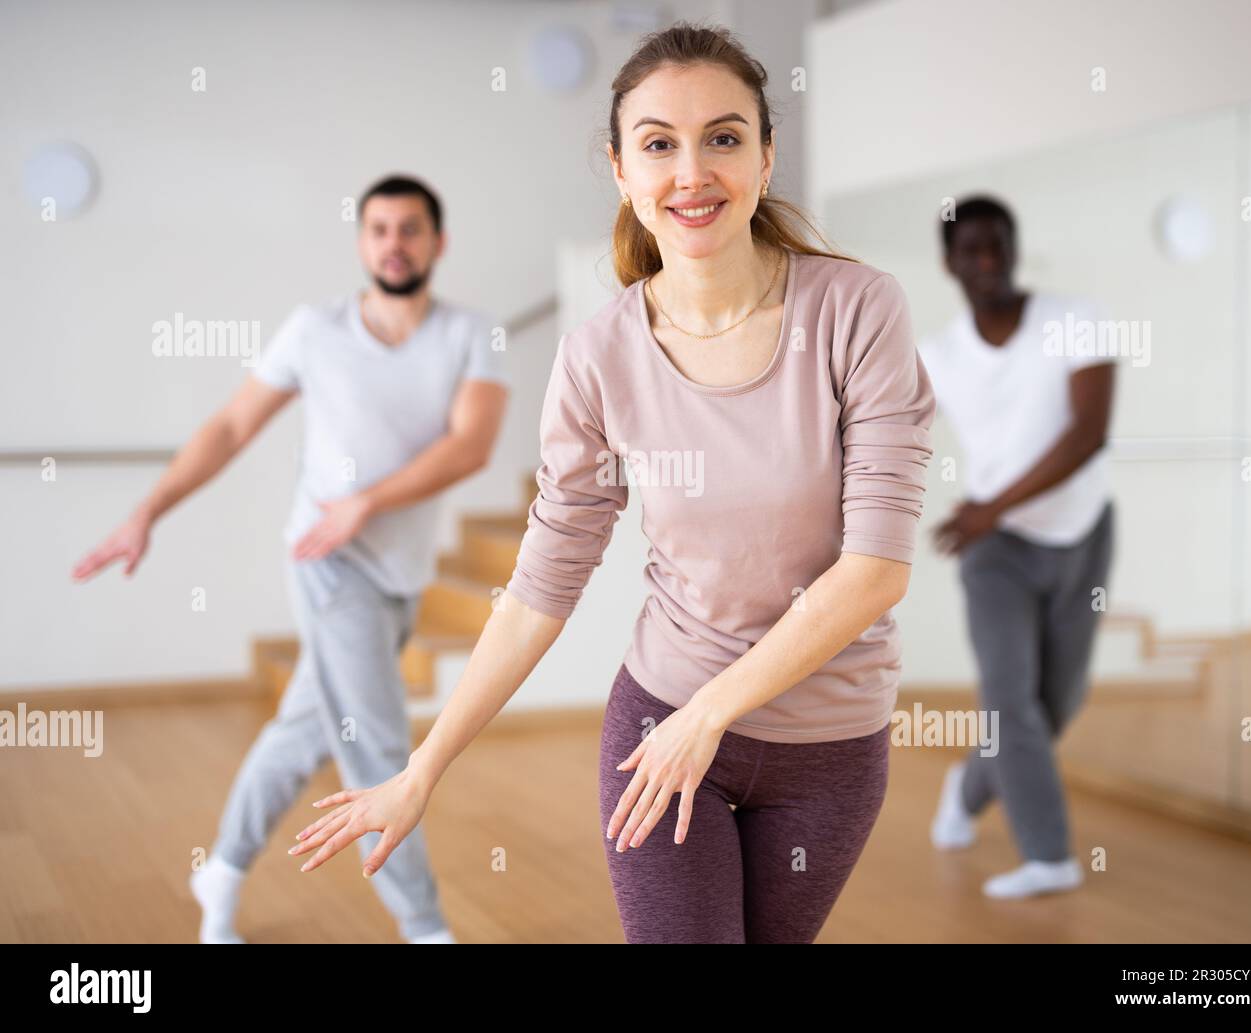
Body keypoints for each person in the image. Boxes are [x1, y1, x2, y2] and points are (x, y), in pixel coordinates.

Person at [288, 22, 935, 944]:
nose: (692, 172)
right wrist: (422, 766)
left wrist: (711, 712)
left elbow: (876, 568)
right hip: (662, 730)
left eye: (723, 137)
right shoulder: (598, 357)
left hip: (827, 751)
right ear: (623, 170)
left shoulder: (857, 312)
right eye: (659, 144)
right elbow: (539, 586)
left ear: (765, 155)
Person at [71, 175, 510, 943]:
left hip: (400, 575)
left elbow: (471, 446)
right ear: (361, 241)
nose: (394, 243)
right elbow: (233, 425)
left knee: (303, 729)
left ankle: (224, 867)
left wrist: (367, 502)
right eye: (379, 229)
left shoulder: (472, 332)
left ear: (437, 243)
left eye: (411, 228)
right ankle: (428, 929)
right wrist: (148, 510)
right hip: (325, 563)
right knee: (375, 744)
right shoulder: (315, 329)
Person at [919, 195, 1117, 899]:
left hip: (1079, 534)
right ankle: (1049, 854)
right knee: (1009, 700)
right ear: (950, 264)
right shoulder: (938, 356)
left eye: (999, 245)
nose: (989, 260)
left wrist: (990, 507)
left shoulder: (1074, 319)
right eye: (972, 250)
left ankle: (966, 789)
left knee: (1054, 704)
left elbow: (1089, 432)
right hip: (994, 551)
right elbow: (874, 431)